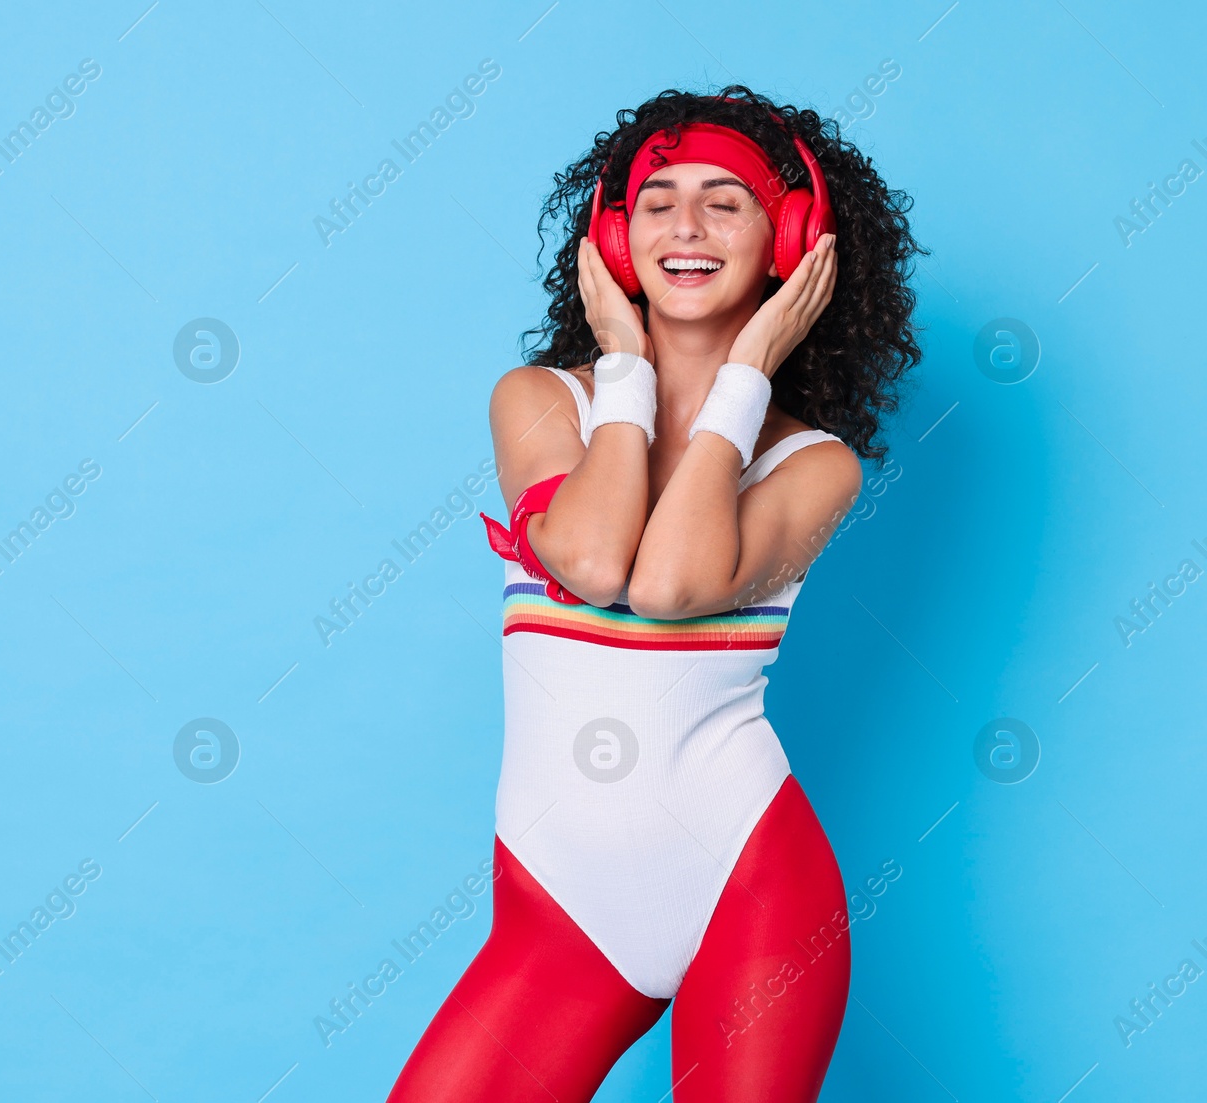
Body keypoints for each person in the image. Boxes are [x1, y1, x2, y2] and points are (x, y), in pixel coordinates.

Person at [386, 85, 924, 1102]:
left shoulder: (814, 466)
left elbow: (672, 586)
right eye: (659, 198)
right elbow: (591, 560)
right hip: (558, 912)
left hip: (753, 890)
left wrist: (750, 366)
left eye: (726, 201)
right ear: (615, 238)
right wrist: (627, 370)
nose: (685, 223)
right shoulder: (543, 400)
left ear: (791, 242)